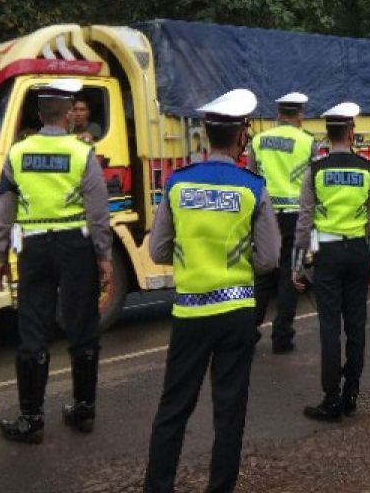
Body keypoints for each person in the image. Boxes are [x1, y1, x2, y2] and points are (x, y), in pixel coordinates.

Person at [144, 89, 281, 493]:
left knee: (174, 408)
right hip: (237, 312)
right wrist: (237, 266)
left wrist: (191, 261)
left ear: (205, 133)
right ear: (242, 135)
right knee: (229, 410)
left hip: (189, 314)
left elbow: (157, 250)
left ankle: (158, 486)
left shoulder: (178, 184)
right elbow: (270, 258)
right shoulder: (252, 187)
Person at [0, 78, 113, 443]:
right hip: (75, 247)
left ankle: (30, 418)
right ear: (67, 115)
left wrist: (0, 253)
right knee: (82, 327)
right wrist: (104, 256)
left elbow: (3, 210)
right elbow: (98, 212)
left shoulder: (17, 153)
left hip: (33, 249)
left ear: (40, 113)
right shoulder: (81, 153)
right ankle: (84, 410)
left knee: (32, 329)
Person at [294, 102, 370, 422]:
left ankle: (331, 400)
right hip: (359, 253)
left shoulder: (315, 171)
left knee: (330, 328)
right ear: (351, 132)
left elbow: (304, 221)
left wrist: (296, 264)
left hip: (327, 257)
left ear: (328, 135)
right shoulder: (368, 169)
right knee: (356, 326)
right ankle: (352, 395)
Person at [247, 91, 315, 354]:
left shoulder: (258, 141)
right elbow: (313, 185)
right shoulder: (308, 142)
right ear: (299, 115)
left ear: (278, 114)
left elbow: (251, 179)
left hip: (264, 217)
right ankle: (282, 337)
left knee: (263, 273)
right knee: (291, 274)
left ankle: (249, 332)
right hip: (295, 218)